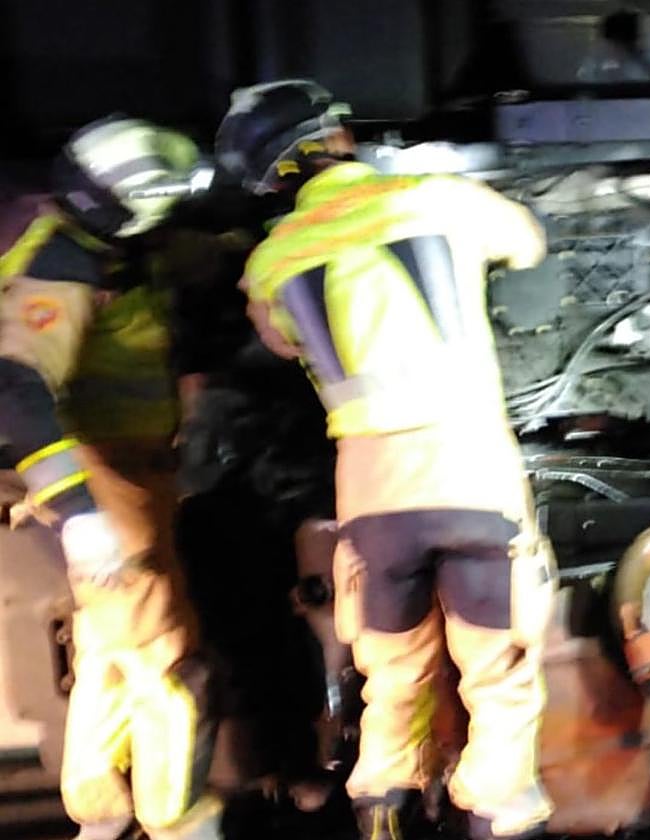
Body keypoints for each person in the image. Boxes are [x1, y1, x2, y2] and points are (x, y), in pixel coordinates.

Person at [213, 79, 557, 840]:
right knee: (499, 674)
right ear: (336, 135)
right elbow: (528, 243)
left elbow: (281, 341)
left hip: (371, 493)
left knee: (393, 675)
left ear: (272, 179)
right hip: (468, 472)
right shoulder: (436, 198)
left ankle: (381, 814)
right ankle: (499, 814)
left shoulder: (272, 260)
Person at [0, 118, 223, 839]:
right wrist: (80, 512)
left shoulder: (94, 249)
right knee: (166, 657)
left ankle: (101, 816)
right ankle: (180, 819)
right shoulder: (61, 263)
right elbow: (16, 385)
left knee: (112, 645)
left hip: (126, 474)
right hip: (105, 478)